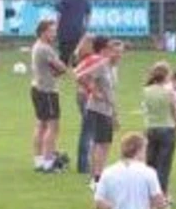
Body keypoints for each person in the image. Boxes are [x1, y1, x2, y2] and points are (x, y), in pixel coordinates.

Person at [77, 39, 123, 188]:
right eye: (115, 51)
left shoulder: (113, 68)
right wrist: (94, 92)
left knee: (106, 144)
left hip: (107, 110)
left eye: (121, 52)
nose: (119, 55)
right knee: (99, 143)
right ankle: (95, 178)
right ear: (108, 52)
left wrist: (115, 114)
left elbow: (111, 92)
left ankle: (99, 175)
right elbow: (81, 76)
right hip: (97, 109)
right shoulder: (102, 65)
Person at [30, 20, 69, 172]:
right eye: (51, 31)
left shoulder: (37, 46)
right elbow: (61, 67)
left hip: (37, 88)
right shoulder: (45, 49)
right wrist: (62, 68)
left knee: (41, 124)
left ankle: (39, 160)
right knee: (53, 126)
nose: (54, 34)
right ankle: (48, 162)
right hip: (47, 90)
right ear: (43, 32)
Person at [72, 36, 108, 174]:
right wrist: (94, 91)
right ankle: (85, 165)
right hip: (88, 98)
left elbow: (76, 73)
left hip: (81, 95)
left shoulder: (83, 58)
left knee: (87, 130)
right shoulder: (96, 60)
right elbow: (81, 76)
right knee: (89, 132)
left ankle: (85, 163)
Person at [142, 62, 176, 200]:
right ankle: (161, 194)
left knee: (151, 162)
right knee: (164, 165)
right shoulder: (168, 92)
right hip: (167, 128)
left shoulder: (146, 91)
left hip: (151, 128)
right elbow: (173, 110)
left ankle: (149, 192)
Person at [55, 0, 91, 64]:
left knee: (64, 56)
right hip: (78, 30)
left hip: (65, 30)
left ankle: (62, 72)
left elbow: (59, 13)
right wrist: (86, 26)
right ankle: (77, 72)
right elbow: (88, 13)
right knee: (77, 54)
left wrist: (56, 27)